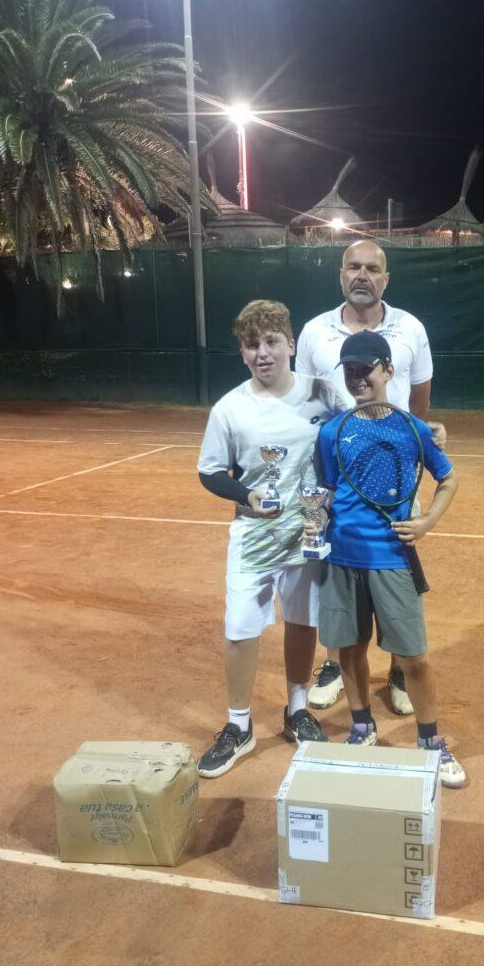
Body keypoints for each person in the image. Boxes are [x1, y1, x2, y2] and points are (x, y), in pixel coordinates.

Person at [196, 299, 348, 778]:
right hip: (253, 535)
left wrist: (422, 430)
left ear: (291, 345)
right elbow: (209, 472)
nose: (262, 352)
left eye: (271, 342)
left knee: (302, 622)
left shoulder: (323, 392)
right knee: (240, 628)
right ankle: (239, 725)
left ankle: (297, 710)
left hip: (309, 532)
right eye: (251, 344)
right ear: (242, 352)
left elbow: (357, 428)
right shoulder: (229, 408)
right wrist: (246, 494)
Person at [311, 330, 466, 788]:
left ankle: (430, 741)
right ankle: (362, 727)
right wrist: (313, 523)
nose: (357, 377)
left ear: (388, 371)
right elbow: (325, 491)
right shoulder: (332, 432)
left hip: (392, 557)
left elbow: (448, 479)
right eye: (350, 370)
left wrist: (427, 522)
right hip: (342, 557)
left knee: (413, 657)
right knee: (349, 650)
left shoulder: (413, 429)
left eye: (366, 369)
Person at [297, 238, 443, 716]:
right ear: (341, 274)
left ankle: (399, 666)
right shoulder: (315, 331)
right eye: (353, 267)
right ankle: (334, 663)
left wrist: (411, 443)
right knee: (334, 570)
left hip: (393, 477)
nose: (362, 275)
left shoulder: (411, 328)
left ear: (386, 278)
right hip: (334, 472)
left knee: (397, 565)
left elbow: (419, 398)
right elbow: (306, 401)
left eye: (372, 269)